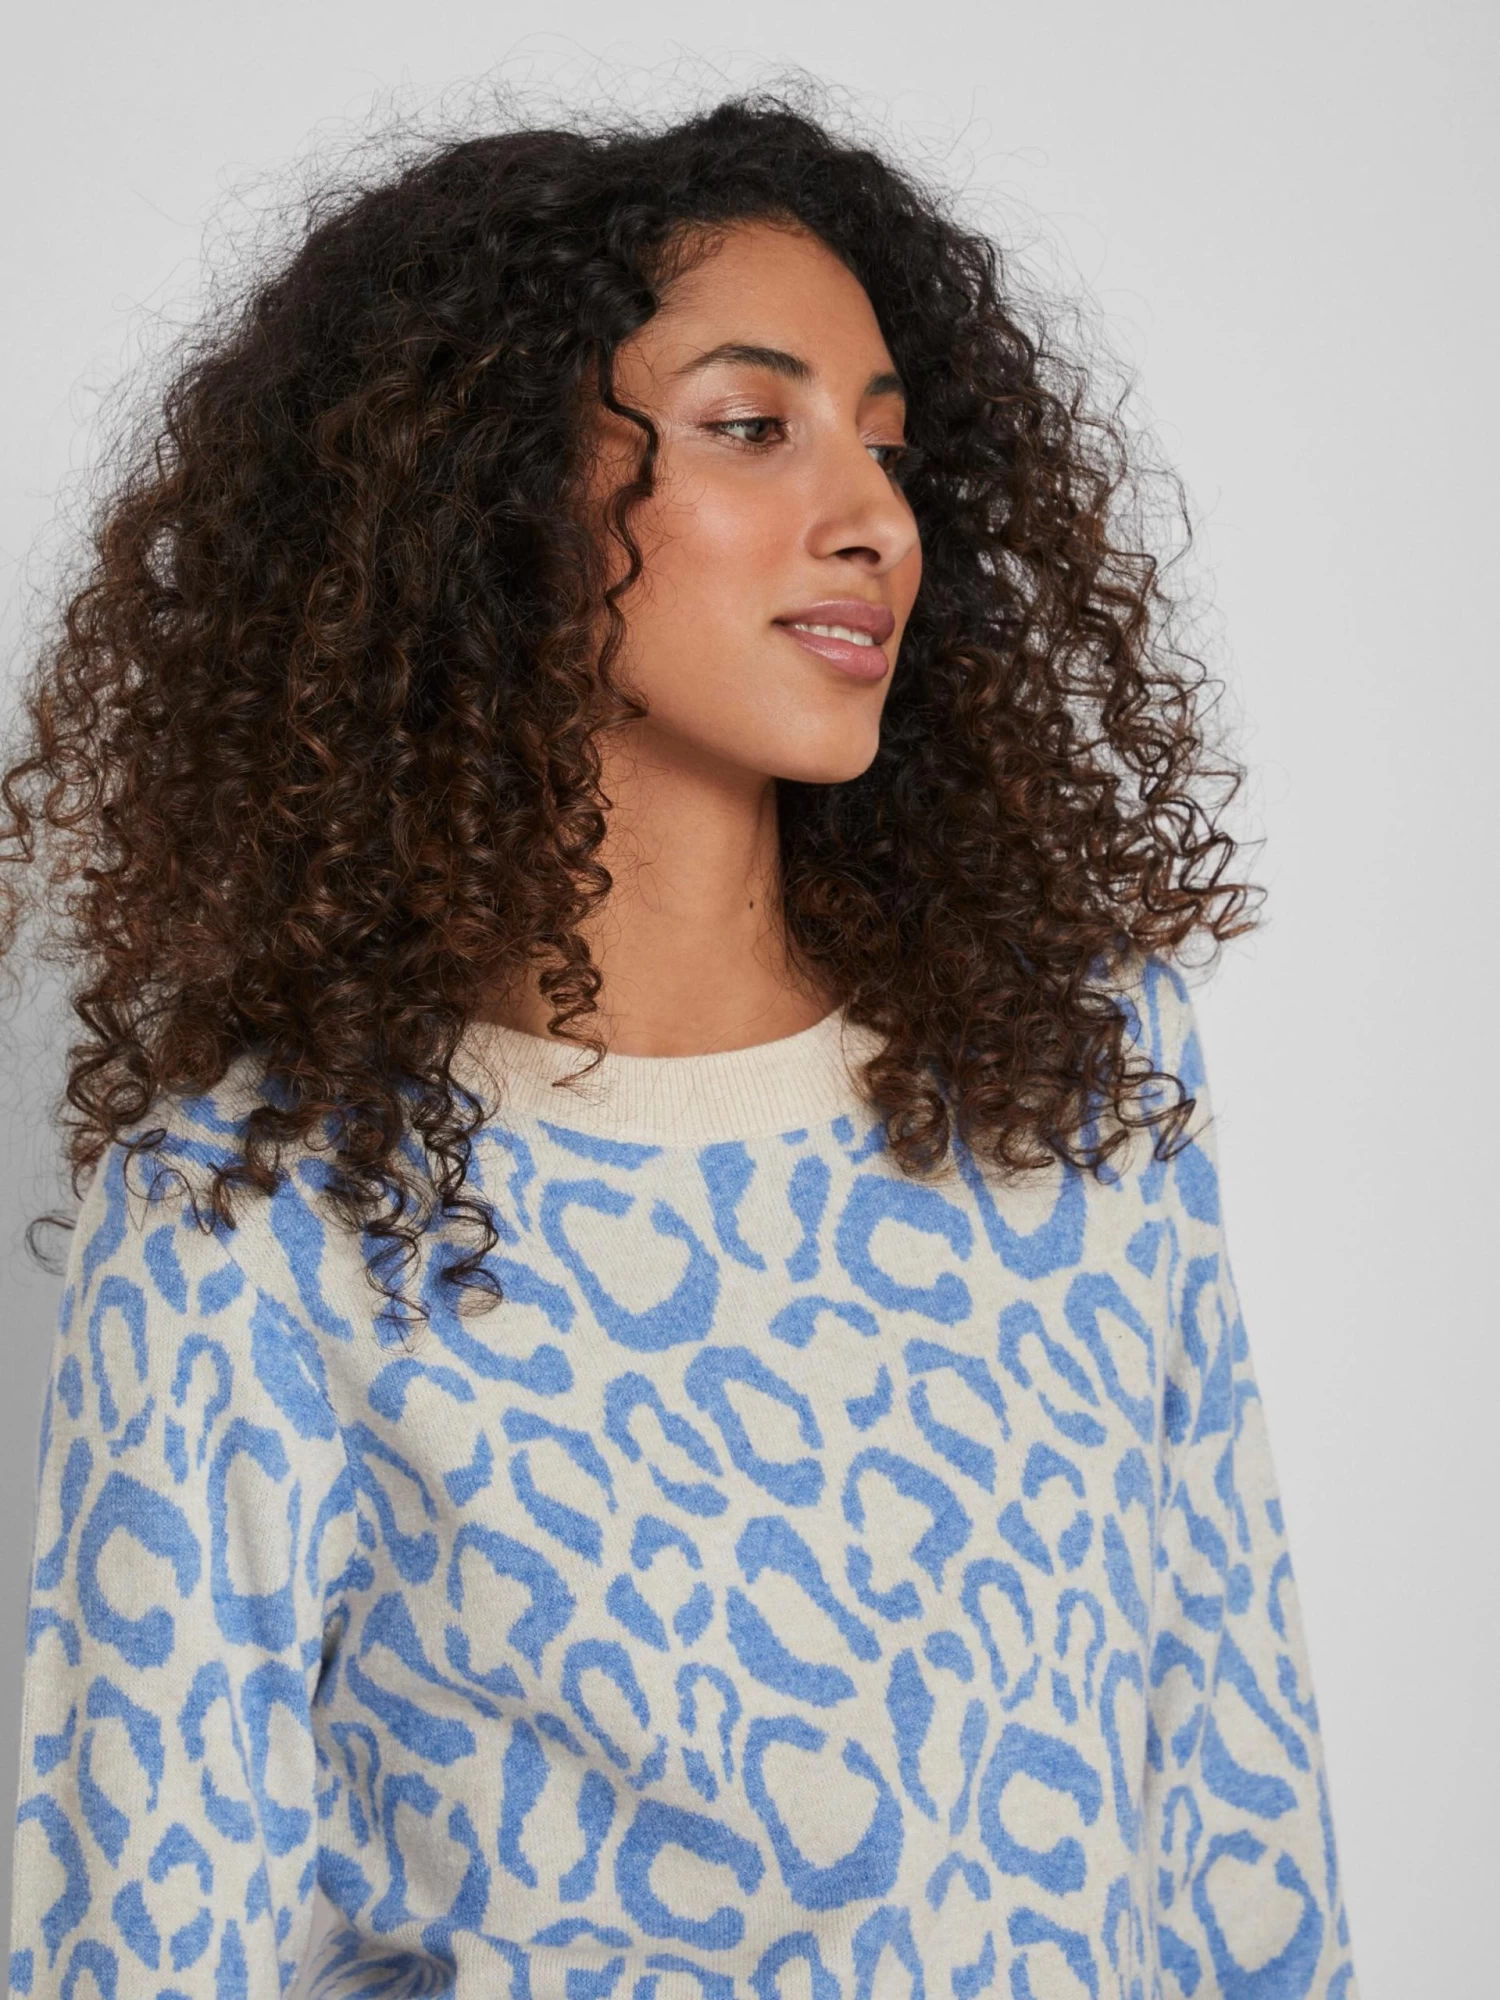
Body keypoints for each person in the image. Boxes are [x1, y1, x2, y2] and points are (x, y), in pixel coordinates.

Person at [0, 93, 1357, 1999]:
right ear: (493, 500)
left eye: (888, 445)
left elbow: (1234, 1808)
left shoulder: (1070, 1076)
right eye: (749, 426)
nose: (877, 520)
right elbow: (143, 1940)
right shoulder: (257, 1221)